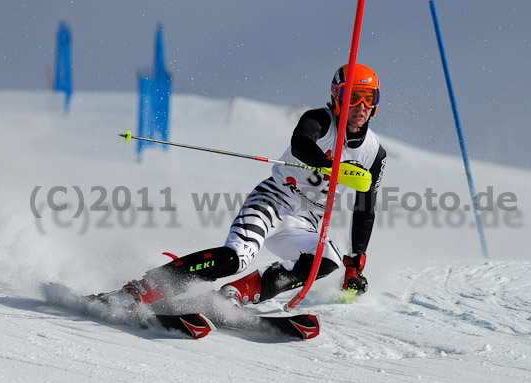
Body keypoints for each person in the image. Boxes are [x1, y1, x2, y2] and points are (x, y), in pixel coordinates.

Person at [94, 63, 386, 309]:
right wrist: (330, 164)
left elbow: (365, 209)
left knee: (329, 259)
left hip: (305, 223)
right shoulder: (320, 120)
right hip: (273, 201)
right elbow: (301, 143)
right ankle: (141, 290)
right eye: (353, 97)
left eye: (367, 99)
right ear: (337, 97)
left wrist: (355, 264)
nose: (361, 107)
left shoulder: (374, 153)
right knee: (236, 258)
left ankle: (233, 296)